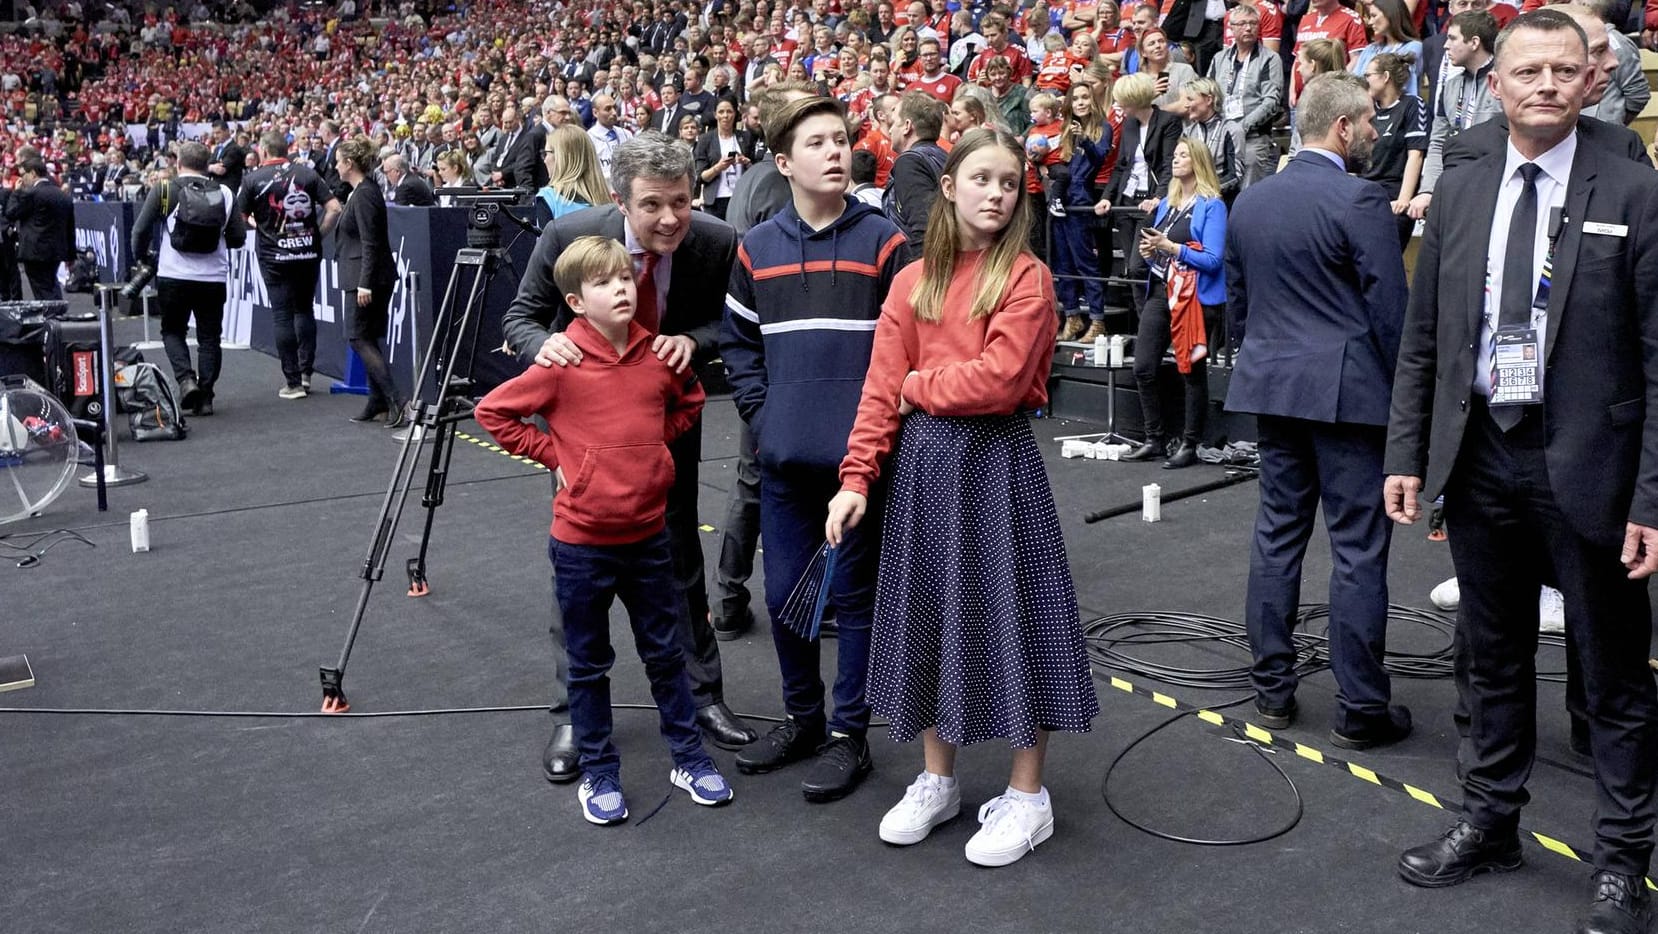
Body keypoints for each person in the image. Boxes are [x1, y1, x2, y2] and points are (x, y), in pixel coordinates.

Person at [1383, 12, 1658, 932]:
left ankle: (1622, 862)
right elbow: (1424, 340)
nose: (1545, 84)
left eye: (1563, 70)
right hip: (1482, 459)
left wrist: (1654, 497)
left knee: (1614, 677)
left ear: (1592, 81)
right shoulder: (1460, 188)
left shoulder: (1633, 185)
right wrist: (1409, 456)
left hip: (1594, 467)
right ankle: (1490, 822)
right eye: (1527, 70)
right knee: (1487, 661)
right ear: (1493, 83)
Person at [826, 128, 1099, 868]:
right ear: (949, 186)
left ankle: (1028, 795)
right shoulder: (913, 281)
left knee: (1017, 617)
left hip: (995, 467)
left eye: (1009, 183)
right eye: (981, 178)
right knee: (930, 618)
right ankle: (938, 780)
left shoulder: (1027, 277)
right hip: (921, 474)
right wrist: (856, 479)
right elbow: (881, 387)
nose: (996, 194)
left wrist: (921, 387)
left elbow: (1000, 381)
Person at [499, 132, 755, 785]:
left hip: (665, 427)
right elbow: (521, 318)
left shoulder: (717, 241)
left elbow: (729, 325)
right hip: (582, 437)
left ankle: (704, 698)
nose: (671, 218)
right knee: (576, 577)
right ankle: (573, 718)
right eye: (653, 206)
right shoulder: (569, 236)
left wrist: (685, 343)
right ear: (620, 200)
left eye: (682, 201)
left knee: (681, 563)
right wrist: (544, 349)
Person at [474, 235, 733, 826]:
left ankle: (688, 757)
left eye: (625, 278)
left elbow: (689, 400)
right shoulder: (560, 363)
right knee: (588, 664)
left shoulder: (656, 354)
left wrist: (648, 453)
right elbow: (493, 412)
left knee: (666, 657)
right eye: (604, 283)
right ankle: (598, 767)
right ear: (574, 301)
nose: (620, 288)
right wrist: (555, 454)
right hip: (582, 546)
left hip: (648, 539)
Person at [721, 96, 908, 803]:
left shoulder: (886, 242)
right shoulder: (756, 247)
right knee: (782, 596)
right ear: (783, 162)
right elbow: (739, 345)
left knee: (854, 599)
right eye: (818, 142)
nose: (836, 152)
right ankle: (804, 720)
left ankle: (848, 735)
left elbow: (904, 349)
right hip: (783, 460)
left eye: (841, 140)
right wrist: (766, 421)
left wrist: (874, 437)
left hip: (860, 463)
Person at [1224, 73, 1411, 749]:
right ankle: (1360, 708)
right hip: (1349, 397)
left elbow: (1238, 310)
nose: (1373, 135)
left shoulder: (1252, 202)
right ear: (1342, 127)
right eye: (1368, 124)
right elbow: (1392, 314)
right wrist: (1408, 406)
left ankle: (1272, 690)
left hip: (1272, 387)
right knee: (1358, 550)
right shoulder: (1362, 198)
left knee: (1277, 535)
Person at [1123, 137, 1227, 468]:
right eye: (1176, 155)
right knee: (1143, 365)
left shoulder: (1213, 205)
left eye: (1183, 155)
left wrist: (1171, 248)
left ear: (1198, 161)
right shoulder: (1168, 203)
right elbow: (1160, 244)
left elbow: (1213, 259)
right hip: (1162, 290)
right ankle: (1155, 438)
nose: (1176, 160)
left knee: (1192, 371)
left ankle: (1190, 442)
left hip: (1195, 299)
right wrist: (1151, 249)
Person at [128, 140, 246, 418]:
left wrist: (142, 259)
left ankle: (185, 380)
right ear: (208, 166)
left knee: (172, 331)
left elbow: (139, 231)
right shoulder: (226, 193)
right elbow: (238, 238)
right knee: (209, 337)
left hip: (174, 275)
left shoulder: (166, 189)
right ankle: (206, 396)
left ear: (178, 164)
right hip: (213, 276)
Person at [334, 137, 406, 429]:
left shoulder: (364, 194)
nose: (336, 166)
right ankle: (378, 401)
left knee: (359, 337)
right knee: (369, 336)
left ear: (349, 163)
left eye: (339, 160)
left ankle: (396, 401)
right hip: (367, 275)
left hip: (366, 278)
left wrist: (365, 283)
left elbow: (370, 241)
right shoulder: (362, 191)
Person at [1096, 73, 1181, 315]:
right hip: (1128, 201)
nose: (1119, 105)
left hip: (1151, 201)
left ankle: (1153, 319)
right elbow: (1122, 165)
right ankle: (1144, 322)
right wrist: (1107, 197)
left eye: (1122, 100)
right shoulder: (1129, 125)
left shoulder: (1167, 121)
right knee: (1133, 271)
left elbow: (1168, 164)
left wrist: (1159, 197)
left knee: (1137, 266)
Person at [1409, 10, 1501, 218]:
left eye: (1452, 38)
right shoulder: (1450, 87)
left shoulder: (1506, 82)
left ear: (1474, 42)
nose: (1445, 45)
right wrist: (1427, 189)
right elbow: (1438, 141)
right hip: (1457, 184)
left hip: (1495, 186)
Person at [1050, 83, 1112, 344]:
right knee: (1062, 264)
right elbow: (1060, 161)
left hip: (1082, 199)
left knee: (1086, 263)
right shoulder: (1066, 127)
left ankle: (1098, 320)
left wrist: (1084, 139)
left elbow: (1100, 158)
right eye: (1075, 99)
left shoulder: (1103, 127)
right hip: (1060, 200)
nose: (1081, 102)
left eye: (1085, 97)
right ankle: (1073, 316)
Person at [1207, 2, 1285, 190]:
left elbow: (1271, 101)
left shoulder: (1270, 58)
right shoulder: (1220, 58)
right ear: (1231, 28)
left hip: (1253, 138)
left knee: (1248, 194)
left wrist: (1241, 127)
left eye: (1253, 23)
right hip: (1222, 139)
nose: (1248, 28)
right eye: (1242, 24)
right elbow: (1209, 91)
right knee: (1218, 193)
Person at [1361, 52, 1429, 248]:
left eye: (1369, 76)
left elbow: (1415, 155)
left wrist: (1403, 200)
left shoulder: (1412, 105)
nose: (1365, 81)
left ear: (1385, 77)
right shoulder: (1367, 108)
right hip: (1367, 191)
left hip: (1394, 192)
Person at [884, 91, 950, 265]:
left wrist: (921, 281)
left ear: (907, 126)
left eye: (894, 123)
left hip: (924, 271)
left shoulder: (910, 162)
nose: (890, 130)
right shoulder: (944, 156)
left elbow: (924, 228)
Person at [6, 156, 73, 302]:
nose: (22, 179)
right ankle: (58, 317)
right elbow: (70, 226)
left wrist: (16, 192)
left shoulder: (31, 194)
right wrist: (71, 254)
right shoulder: (62, 195)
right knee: (51, 285)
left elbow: (11, 213)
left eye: (24, 175)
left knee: (42, 292)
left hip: (34, 252)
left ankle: (52, 320)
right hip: (57, 250)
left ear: (33, 173)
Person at [1179, 78, 1245, 201]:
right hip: (1192, 199)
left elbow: (1235, 175)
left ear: (1209, 100)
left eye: (1190, 99)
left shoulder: (1231, 130)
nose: (1186, 105)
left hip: (1222, 199)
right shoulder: (1188, 132)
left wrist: (1207, 191)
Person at [693, 99, 756, 220]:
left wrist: (746, 162)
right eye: (721, 112)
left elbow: (754, 169)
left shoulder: (746, 137)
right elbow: (701, 177)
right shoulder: (705, 140)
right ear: (715, 114)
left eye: (729, 111)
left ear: (735, 114)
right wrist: (718, 167)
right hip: (715, 200)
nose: (725, 116)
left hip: (740, 197)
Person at [535, 124, 610, 224]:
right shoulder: (609, 201)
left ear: (561, 157)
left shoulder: (548, 197)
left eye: (546, 153)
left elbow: (543, 239)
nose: (545, 160)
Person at [1350, 0, 1424, 96]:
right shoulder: (1370, 49)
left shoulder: (1413, 47)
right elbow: (1354, 83)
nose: (1370, 22)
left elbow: (1399, 84)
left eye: (1374, 16)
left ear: (1390, 15)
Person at [206, 120, 247, 204]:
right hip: (216, 190)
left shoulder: (234, 149)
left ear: (227, 131)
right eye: (214, 133)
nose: (215, 136)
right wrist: (212, 167)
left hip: (228, 192)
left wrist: (210, 167)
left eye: (218, 133)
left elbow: (221, 170)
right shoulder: (217, 149)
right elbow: (207, 165)